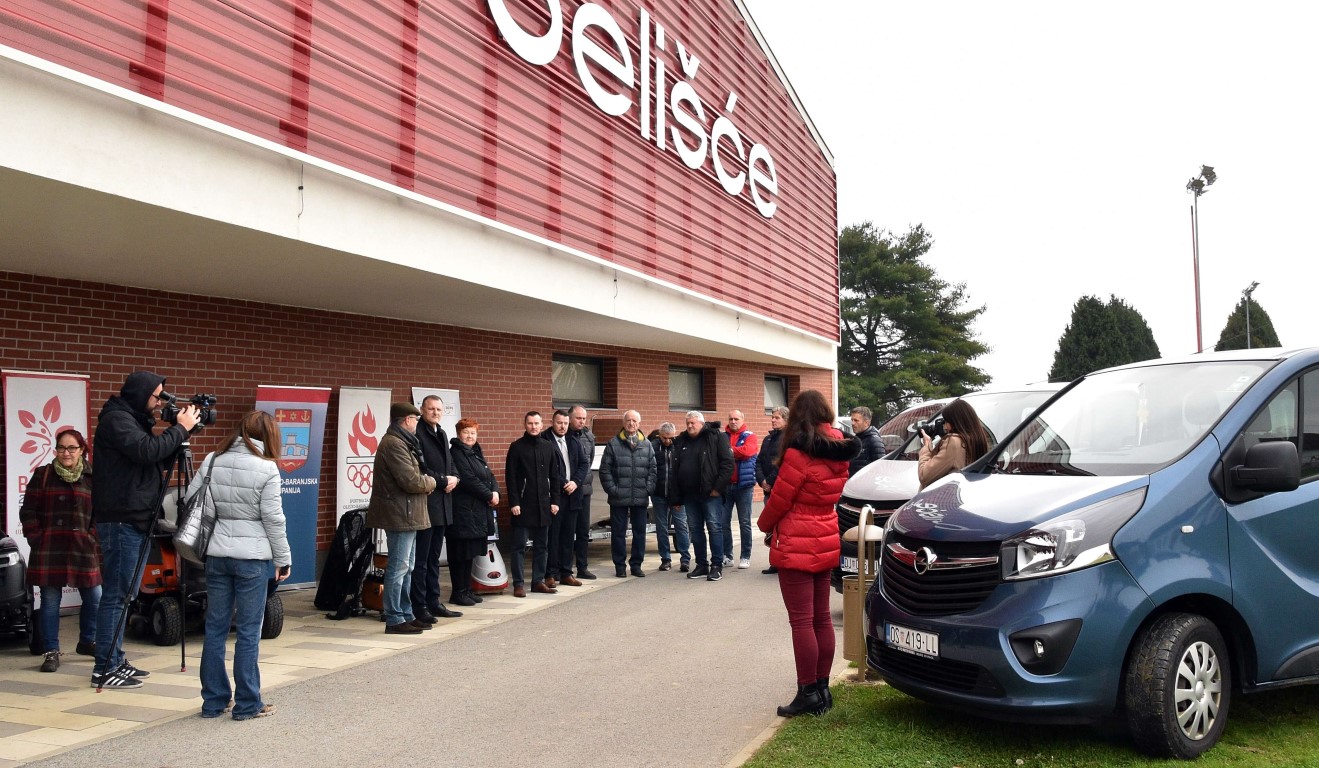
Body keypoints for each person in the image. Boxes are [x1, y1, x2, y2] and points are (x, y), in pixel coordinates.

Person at [91, 370, 199, 690]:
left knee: (127, 595)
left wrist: (182, 433)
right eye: (157, 396)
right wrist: (180, 429)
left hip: (135, 518)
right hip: (122, 519)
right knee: (117, 595)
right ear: (141, 393)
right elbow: (146, 451)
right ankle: (104, 668)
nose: (160, 403)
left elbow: (154, 461)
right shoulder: (116, 420)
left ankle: (115, 659)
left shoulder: (134, 421)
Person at [757, 390, 860, 717]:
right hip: (826, 532)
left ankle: (808, 692)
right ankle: (822, 689)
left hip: (797, 540)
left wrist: (764, 525)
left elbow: (780, 499)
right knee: (821, 618)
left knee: (802, 621)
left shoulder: (798, 453)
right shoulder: (840, 449)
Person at [191, 410, 292, 721]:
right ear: (270, 436)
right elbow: (273, 519)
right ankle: (247, 703)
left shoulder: (212, 460)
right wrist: (283, 558)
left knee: (215, 629)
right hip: (252, 558)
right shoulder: (267, 468)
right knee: (248, 631)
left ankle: (213, 702)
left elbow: (194, 499)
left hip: (217, 554)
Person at [20, 429, 100, 673]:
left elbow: (100, 512)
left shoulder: (93, 477)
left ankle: (87, 641)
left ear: (82, 450)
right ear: (55, 450)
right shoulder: (43, 475)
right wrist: (36, 538)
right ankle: (51, 652)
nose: (66, 453)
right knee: (50, 602)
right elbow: (28, 511)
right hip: (49, 549)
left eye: (72, 448)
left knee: (95, 598)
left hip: (82, 548)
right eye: (61, 448)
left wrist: (92, 537)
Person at [365, 402, 436, 634]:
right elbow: (411, 481)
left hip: (407, 512)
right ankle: (394, 618)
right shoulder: (394, 444)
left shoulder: (403, 441)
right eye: (415, 419)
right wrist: (432, 482)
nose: (417, 423)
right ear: (407, 420)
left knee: (407, 566)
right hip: (399, 513)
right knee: (398, 567)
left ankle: (406, 613)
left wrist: (423, 483)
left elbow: (413, 478)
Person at [505, 411, 563, 598]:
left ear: (541, 424)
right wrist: (514, 502)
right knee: (519, 547)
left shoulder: (548, 447)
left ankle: (538, 581)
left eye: (536, 423)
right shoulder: (516, 447)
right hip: (522, 505)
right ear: (525, 424)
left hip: (544, 505)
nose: (533, 426)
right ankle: (518, 584)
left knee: (542, 547)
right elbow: (511, 478)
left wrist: (555, 501)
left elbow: (555, 477)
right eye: (530, 423)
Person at [414, 395, 461, 621]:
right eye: (431, 409)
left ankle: (434, 601)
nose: (435, 413)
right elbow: (420, 468)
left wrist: (455, 478)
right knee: (421, 560)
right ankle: (419, 605)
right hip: (426, 505)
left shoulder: (441, 433)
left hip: (442, 504)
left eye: (439, 409)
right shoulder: (417, 434)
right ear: (422, 410)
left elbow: (451, 464)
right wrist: (444, 481)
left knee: (434, 559)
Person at [671, 411, 733, 582]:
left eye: (693, 423)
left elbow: (728, 464)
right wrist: (676, 497)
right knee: (695, 530)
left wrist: (717, 488)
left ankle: (717, 566)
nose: (690, 426)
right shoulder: (682, 440)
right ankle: (701, 565)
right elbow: (674, 470)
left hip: (710, 494)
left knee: (714, 528)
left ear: (702, 423)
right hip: (689, 495)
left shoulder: (716, 437)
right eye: (687, 423)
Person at [448, 419, 499, 606]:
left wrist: (495, 491)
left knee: (470, 553)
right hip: (463, 511)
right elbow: (468, 479)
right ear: (458, 434)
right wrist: (489, 495)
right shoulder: (456, 453)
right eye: (466, 432)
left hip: (476, 511)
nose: (470, 436)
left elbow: (489, 475)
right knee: (460, 553)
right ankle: (458, 592)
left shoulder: (475, 452)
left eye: (473, 433)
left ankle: (466, 589)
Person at [600, 410, 656, 577]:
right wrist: (613, 490)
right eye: (628, 420)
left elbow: (653, 470)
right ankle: (620, 566)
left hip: (640, 496)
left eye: (634, 421)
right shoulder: (613, 444)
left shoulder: (647, 444)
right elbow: (605, 470)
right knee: (618, 533)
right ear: (623, 423)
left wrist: (648, 489)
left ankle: (636, 565)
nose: (631, 423)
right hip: (618, 497)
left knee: (640, 533)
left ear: (639, 423)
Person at [540, 409, 583, 588]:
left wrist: (576, 482)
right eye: (559, 423)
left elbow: (584, 464)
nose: (563, 426)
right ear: (552, 422)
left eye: (565, 423)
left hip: (572, 495)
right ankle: (550, 573)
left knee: (568, 536)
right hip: (555, 496)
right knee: (553, 536)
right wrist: (564, 482)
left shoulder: (573, 440)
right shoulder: (544, 440)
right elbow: (546, 469)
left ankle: (566, 572)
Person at [916, 399, 991, 491]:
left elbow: (924, 476)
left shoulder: (954, 442)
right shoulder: (977, 439)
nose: (945, 427)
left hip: (942, 497)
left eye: (946, 422)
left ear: (956, 422)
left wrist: (927, 446)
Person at [721, 409, 758, 569]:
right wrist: (736, 452)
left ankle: (745, 556)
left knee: (745, 522)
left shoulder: (750, 436)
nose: (733, 421)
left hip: (744, 486)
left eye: (736, 418)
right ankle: (727, 556)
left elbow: (748, 451)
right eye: (731, 419)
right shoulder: (723, 436)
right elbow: (719, 455)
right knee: (723, 522)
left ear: (742, 419)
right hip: (725, 486)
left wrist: (729, 451)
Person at [649, 422, 689, 571]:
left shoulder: (679, 447)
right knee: (661, 528)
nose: (667, 441)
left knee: (681, 526)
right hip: (658, 494)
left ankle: (685, 559)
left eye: (670, 438)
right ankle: (665, 559)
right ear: (659, 435)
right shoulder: (653, 447)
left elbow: (685, 471)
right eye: (664, 438)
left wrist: (682, 492)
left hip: (676, 494)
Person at [756, 406, 788, 575]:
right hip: (767, 490)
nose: (773, 420)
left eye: (777, 417)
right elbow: (758, 461)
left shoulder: (789, 439)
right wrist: (762, 480)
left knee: (783, 527)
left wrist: (770, 480)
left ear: (786, 420)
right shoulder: (768, 439)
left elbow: (784, 463)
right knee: (771, 528)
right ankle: (774, 561)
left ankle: (785, 561)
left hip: (780, 490)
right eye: (772, 417)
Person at [567, 405, 597, 580]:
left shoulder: (589, 437)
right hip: (567, 489)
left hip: (584, 489)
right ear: (570, 418)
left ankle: (582, 567)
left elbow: (588, 461)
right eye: (578, 418)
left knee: (583, 531)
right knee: (567, 530)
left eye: (584, 418)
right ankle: (565, 568)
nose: (582, 421)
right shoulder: (563, 436)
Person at [848, 406, 886, 476]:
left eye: (856, 420)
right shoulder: (856, 439)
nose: (852, 423)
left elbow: (880, 469)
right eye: (852, 420)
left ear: (866, 423)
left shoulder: (874, 440)